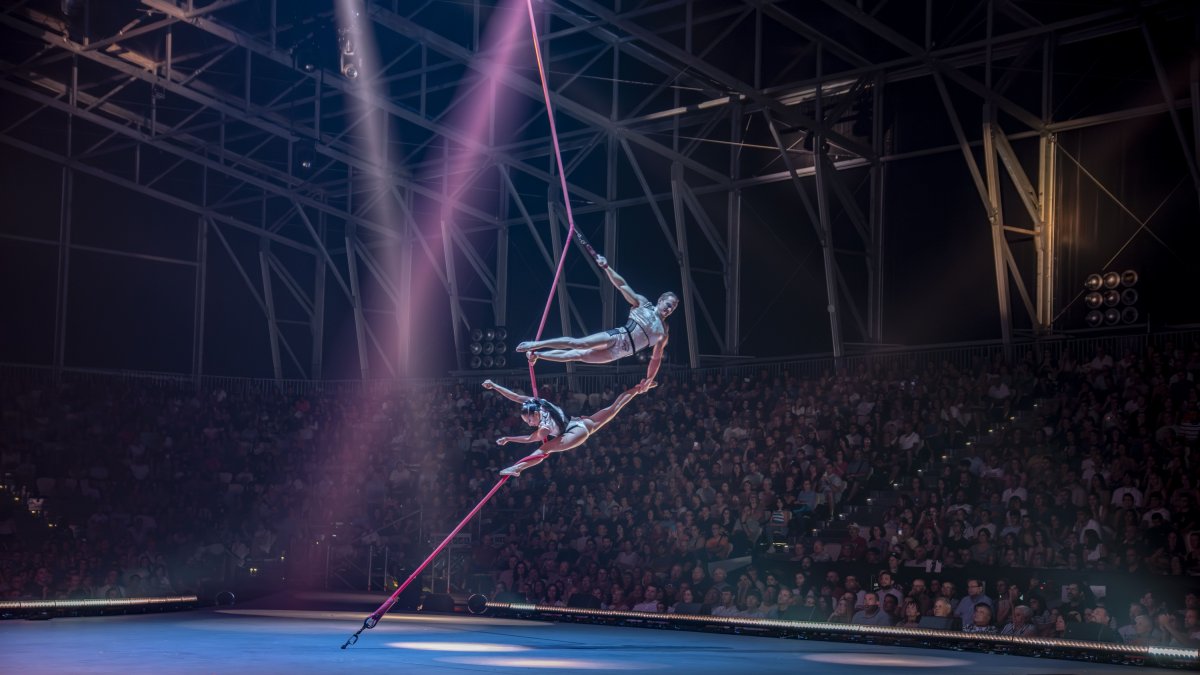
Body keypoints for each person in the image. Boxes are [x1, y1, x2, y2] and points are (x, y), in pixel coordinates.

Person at [519, 255, 677, 372]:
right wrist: (607, 267)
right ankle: (535, 344)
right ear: (661, 300)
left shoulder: (664, 331)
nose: (669, 309)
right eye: (669, 304)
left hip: (619, 353)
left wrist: (649, 380)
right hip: (617, 336)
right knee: (579, 343)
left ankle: (538, 355)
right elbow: (622, 285)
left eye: (673, 308)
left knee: (577, 355)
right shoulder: (644, 304)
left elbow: (656, 358)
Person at [483, 378, 654, 476]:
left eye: (529, 421)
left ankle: (518, 468)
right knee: (613, 408)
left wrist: (508, 439)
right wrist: (495, 386)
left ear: (535, 415)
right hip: (578, 422)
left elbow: (529, 439)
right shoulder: (537, 403)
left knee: (544, 450)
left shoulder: (544, 427)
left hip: (575, 431)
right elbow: (515, 397)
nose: (529, 424)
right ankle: (639, 389)